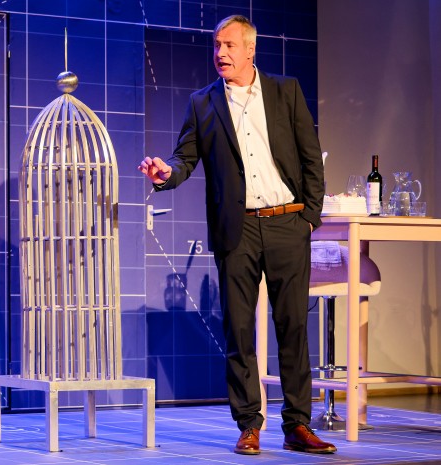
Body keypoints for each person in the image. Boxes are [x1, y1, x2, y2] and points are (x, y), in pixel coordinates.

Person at [138, 15, 336, 455]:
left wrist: (309, 217)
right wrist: (166, 174)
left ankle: (297, 425)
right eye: (216, 45)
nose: (220, 53)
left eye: (229, 45)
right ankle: (249, 424)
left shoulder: (285, 92)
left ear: (250, 49)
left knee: (292, 326)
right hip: (237, 228)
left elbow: (310, 159)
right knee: (239, 330)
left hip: (287, 222)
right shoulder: (202, 102)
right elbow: (184, 158)